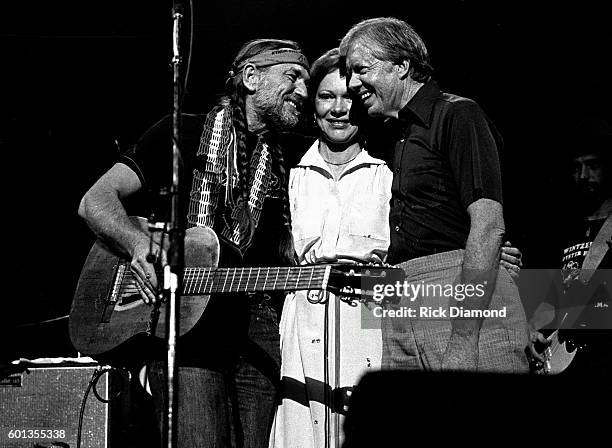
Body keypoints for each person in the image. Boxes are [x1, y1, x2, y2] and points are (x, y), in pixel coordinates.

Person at [268, 48, 525, 448]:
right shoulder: (286, 169)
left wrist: (497, 254)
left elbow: (451, 225)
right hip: (303, 327)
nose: (338, 109)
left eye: (348, 97)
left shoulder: (393, 161)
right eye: (325, 96)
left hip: (379, 318)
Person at [78, 39, 310, 447]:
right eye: (293, 76)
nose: (304, 92)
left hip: (255, 322)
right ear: (251, 78)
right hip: (184, 324)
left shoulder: (290, 157)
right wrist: (139, 247)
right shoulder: (180, 131)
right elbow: (95, 201)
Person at [339, 17, 529, 372]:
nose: (352, 84)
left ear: (401, 66)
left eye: (361, 69)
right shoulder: (396, 136)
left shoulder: (458, 114)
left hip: (460, 304)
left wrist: (463, 339)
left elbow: (488, 226)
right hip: (403, 301)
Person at [528, 118, 612, 377]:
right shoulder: (563, 232)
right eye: (576, 168)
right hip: (565, 357)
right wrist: (532, 329)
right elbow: (553, 299)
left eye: (593, 166)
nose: (583, 176)